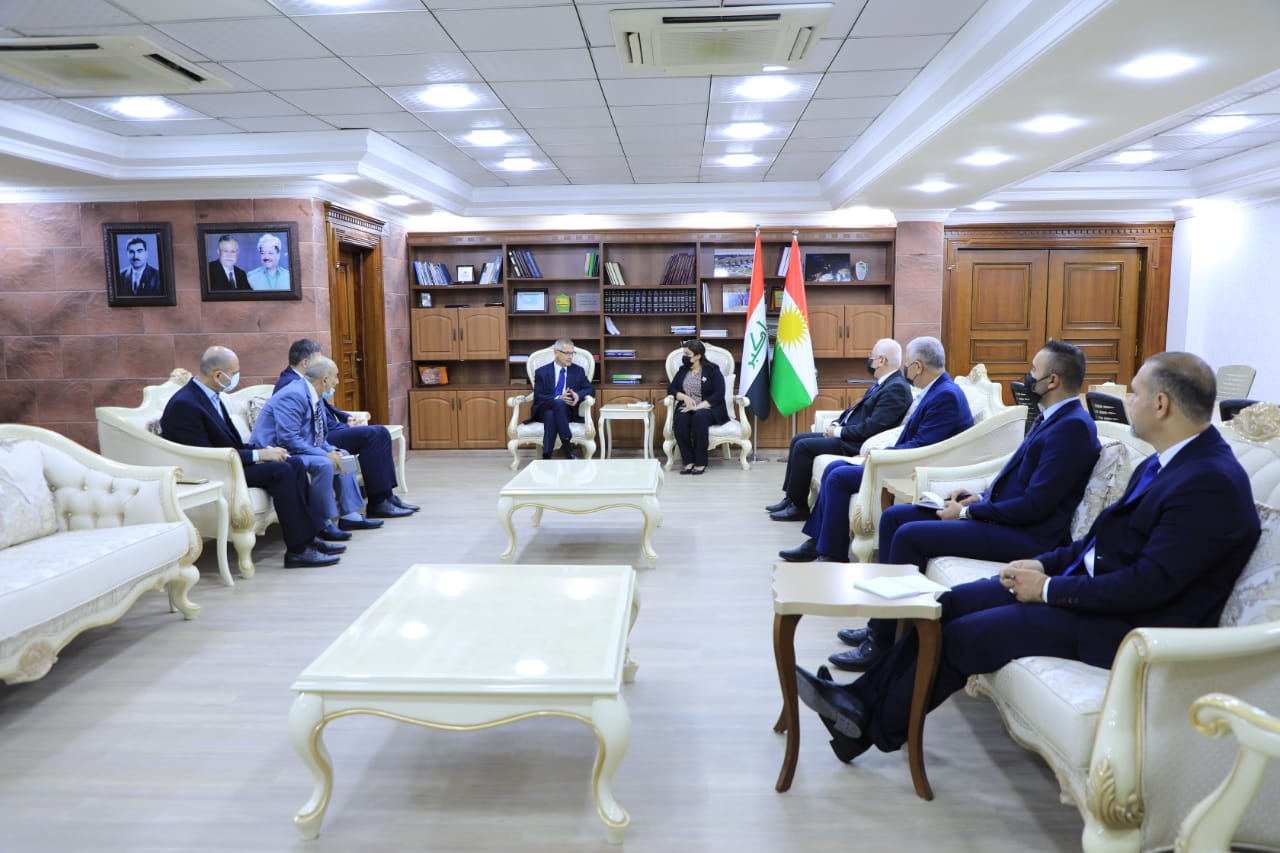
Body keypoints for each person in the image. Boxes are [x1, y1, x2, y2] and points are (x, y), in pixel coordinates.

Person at [794, 351, 1261, 765]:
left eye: (1135, 393)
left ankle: (867, 725)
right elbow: (1100, 542)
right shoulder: (1169, 460)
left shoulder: (1209, 481)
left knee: (964, 636)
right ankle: (857, 702)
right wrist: (1045, 565)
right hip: (1094, 595)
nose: (1128, 402)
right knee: (949, 605)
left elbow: (1148, 586)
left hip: (1127, 627)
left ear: (1161, 405)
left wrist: (1050, 589)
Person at [831, 340, 1101, 671]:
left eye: (1033, 370)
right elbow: (1018, 480)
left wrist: (967, 512)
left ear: (1053, 380)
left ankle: (883, 641)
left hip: (1028, 536)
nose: (1028, 376)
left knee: (910, 536)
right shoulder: (1052, 418)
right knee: (895, 518)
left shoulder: (1072, 427)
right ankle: (884, 621)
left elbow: (1035, 505)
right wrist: (978, 497)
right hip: (1005, 517)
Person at [778, 336, 973, 561]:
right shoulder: (937, 390)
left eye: (907, 364)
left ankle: (831, 553)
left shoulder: (945, 396)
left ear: (918, 367)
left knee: (838, 477)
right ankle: (818, 543)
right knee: (834, 468)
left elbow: (923, 446)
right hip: (906, 459)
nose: (904, 368)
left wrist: (882, 455)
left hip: (915, 468)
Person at [158, 346, 341, 568]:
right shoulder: (185, 403)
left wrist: (263, 453)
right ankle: (297, 550)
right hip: (215, 470)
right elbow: (205, 454)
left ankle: (311, 537)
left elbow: (228, 444)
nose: (236, 378)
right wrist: (257, 455)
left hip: (230, 462)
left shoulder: (210, 396)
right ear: (218, 375)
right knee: (282, 471)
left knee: (293, 463)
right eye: (234, 373)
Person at [767, 338, 912, 518]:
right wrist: (837, 423)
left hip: (858, 444)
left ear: (881, 361)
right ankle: (791, 498)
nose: (869, 360)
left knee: (804, 447)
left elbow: (872, 428)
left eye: (871, 356)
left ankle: (799, 507)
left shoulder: (896, 388)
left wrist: (837, 432)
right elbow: (855, 411)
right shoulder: (885, 382)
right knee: (798, 439)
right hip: (851, 435)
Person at [274, 339, 417, 517]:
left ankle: (387, 496)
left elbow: (325, 407)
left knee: (380, 432)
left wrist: (346, 418)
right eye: (319, 360)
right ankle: (378, 501)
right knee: (372, 435)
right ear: (305, 363)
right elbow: (296, 431)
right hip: (318, 438)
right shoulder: (290, 383)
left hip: (329, 431)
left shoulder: (306, 380)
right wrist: (326, 447)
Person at [251, 356, 384, 538]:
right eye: (336, 376)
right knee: (324, 464)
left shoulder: (314, 394)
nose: (338, 382)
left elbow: (317, 434)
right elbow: (288, 439)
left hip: (297, 447)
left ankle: (350, 515)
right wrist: (324, 454)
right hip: (276, 451)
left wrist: (330, 450)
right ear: (325, 380)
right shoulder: (293, 395)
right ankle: (323, 522)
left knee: (343, 455)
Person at [667, 339, 729, 474]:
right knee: (680, 419)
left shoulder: (712, 370)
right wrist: (684, 397)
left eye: (687, 354)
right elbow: (671, 389)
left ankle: (700, 462)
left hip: (708, 408)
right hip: (687, 407)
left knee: (699, 417)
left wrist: (698, 407)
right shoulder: (683, 370)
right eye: (684, 353)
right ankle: (688, 461)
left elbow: (719, 394)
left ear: (698, 356)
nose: (684, 356)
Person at [531, 338, 594, 460]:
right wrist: (558, 397)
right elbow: (538, 396)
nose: (570, 356)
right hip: (543, 409)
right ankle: (567, 447)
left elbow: (590, 390)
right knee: (557, 403)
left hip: (567, 412)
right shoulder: (541, 372)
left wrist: (578, 395)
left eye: (572, 353)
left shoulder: (578, 371)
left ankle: (547, 454)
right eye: (567, 353)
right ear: (556, 353)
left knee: (551, 414)